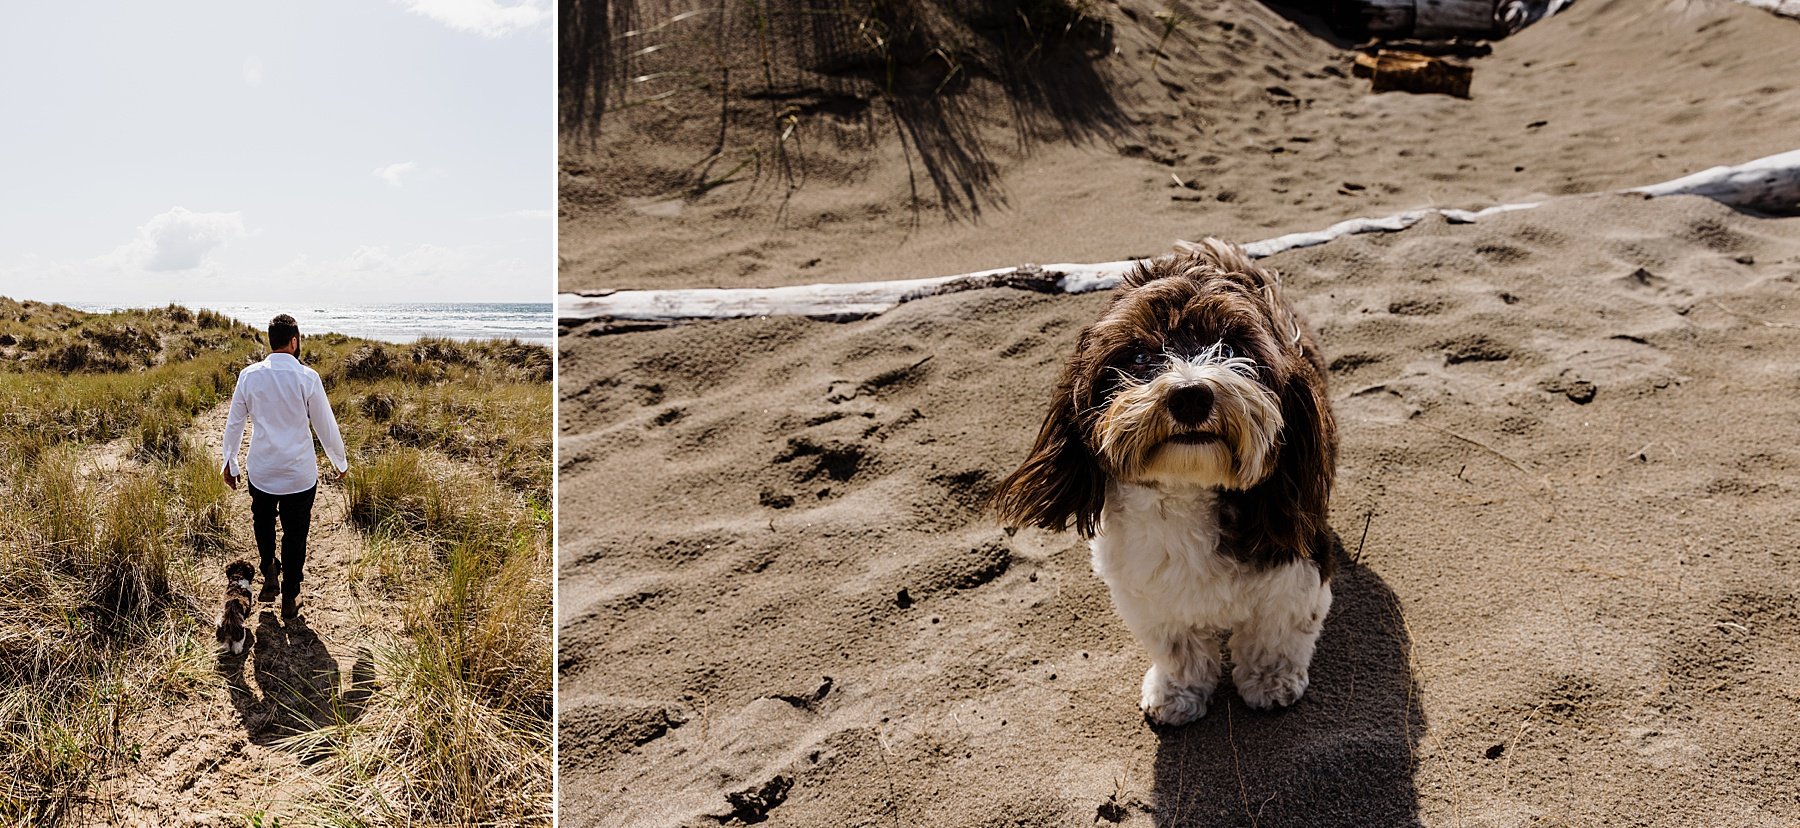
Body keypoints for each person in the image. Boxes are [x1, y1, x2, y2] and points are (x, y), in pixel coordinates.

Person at [220, 314, 348, 620]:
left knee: (263, 524)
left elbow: (235, 421)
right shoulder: (307, 377)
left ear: (271, 341)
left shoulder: (249, 376)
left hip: (262, 471)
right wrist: (339, 461)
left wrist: (230, 461)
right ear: (294, 341)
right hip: (298, 475)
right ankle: (290, 595)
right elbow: (325, 425)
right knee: (295, 534)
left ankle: (269, 573)